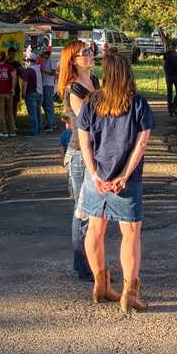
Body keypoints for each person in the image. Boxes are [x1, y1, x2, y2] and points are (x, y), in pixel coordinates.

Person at [77, 54, 155, 312]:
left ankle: (100, 284)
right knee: (130, 233)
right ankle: (129, 293)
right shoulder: (138, 103)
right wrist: (125, 174)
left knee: (95, 230)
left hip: (97, 178)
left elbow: (84, 143)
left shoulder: (91, 102)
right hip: (127, 180)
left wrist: (94, 174)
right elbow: (141, 144)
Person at [58, 40, 100, 282]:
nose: (90, 54)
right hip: (80, 154)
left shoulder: (93, 81)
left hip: (96, 151)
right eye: (85, 52)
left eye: (90, 50)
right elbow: (90, 120)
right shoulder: (74, 88)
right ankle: (82, 264)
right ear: (73, 60)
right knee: (83, 211)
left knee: (95, 210)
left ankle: (92, 260)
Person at [0, 51, 17, 137]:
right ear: (5, 58)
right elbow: (14, 77)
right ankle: (12, 131)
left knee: (1, 113)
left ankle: (4, 132)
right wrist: (12, 88)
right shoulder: (10, 67)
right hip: (9, 93)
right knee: (10, 112)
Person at [21, 52, 44, 136]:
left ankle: (34, 131)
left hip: (31, 93)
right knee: (38, 113)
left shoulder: (29, 70)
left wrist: (23, 93)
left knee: (32, 114)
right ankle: (39, 129)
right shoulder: (38, 68)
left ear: (28, 60)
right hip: (40, 93)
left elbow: (25, 82)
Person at [162, 41, 177, 116]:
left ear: (170, 46)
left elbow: (163, 65)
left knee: (169, 93)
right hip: (176, 76)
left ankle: (170, 110)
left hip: (168, 76)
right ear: (176, 46)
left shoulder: (166, 54)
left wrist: (165, 74)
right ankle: (174, 108)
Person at [38, 50, 56, 131]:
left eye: (43, 55)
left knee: (48, 104)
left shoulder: (51, 60)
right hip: (44, 84)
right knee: (45, 104)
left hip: (48, 84)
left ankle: (51, 124)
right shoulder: (45, 60)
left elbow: (53, 73)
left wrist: (44, 71)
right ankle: (51, 122)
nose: (42, 57)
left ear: (47, 54)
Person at [7, 46, 23, 114]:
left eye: (14, 54)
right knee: (6, 106)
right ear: (8, 54)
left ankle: (14, 118)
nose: (12, 56)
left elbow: (22, 75)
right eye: (11, 54)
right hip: (6, 87)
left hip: (16, 88)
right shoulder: (5, 63)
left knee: (14, 105)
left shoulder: (17, 64)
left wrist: (21, 70)